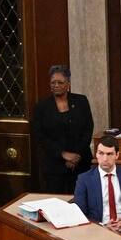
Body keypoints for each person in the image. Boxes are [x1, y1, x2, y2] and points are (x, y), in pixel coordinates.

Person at [31, 65, 93, 193]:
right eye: (53, 82)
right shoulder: (42, 107)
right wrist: (63, 154)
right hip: (54, 164)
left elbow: (88, 128)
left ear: (68, 84)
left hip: (81, 161)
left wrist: (76, 155)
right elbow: (40, 136)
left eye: (60, 82)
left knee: (81, 200)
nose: (56, 85)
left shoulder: (81, 101)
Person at [74, 136, 121, 240]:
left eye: (109, 154)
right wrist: (103, 226)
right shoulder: (84, 179)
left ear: (117, 155)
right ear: (96, 155)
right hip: (97, 229)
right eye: (101, 153)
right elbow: (80, 215)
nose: (105, 159)